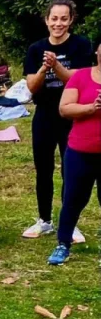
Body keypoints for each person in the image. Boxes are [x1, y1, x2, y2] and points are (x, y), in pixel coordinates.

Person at [21, 0, 93, 242]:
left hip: (71, 116)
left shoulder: (82, 46)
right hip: (44, 116)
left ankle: (69, 223)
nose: (58, 23)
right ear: (46, 20)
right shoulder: (35, 48)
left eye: (64, 18)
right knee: (44, 169)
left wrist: (57, 66)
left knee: (70, 171)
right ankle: (44, 220)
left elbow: (79, 79)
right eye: (54, 18)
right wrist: (44, 68)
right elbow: (31, 86)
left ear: (71, 20)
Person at [48, 38, 101, 266]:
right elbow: (64, 108)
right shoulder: (81, 76)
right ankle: (62, 244)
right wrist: (92, 107)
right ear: (97, 51)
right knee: (73, 199)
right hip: (80, 151)